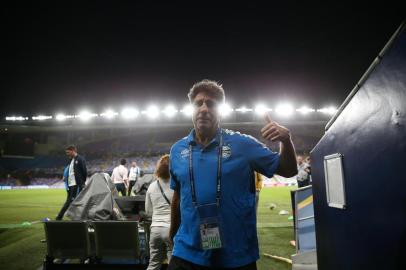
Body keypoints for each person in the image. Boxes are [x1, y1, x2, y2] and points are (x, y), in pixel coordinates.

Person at [168, 79, 298, 269]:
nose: (204, 108)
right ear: (191, 109)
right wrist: (172, 235)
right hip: (187, 252)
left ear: (220, 111)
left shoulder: (243, 144)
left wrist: (286, 140)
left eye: (211, 104)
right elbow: (178, 196)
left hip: (235, 254)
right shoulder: (177, 150)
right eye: (198, 103)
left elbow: (288, 170)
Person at [145, 154, 174, 270]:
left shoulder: (152, 186)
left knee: (154, 263)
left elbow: (148, 211)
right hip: (171, 228)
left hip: (155, 229)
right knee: (172, 263)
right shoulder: (176, 185)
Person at [56, 145, 88, 220]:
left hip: (76, 184)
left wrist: (82, 182)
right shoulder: (71, 160)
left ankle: (60, 216)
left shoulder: (80, 159)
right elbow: (70, 172)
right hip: (71, 185)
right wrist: (65, 177)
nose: (67, 154)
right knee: (72, 201)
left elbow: (84, 171)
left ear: (73, 150)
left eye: (68, 152)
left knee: (71, 201)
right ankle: (74, 217)